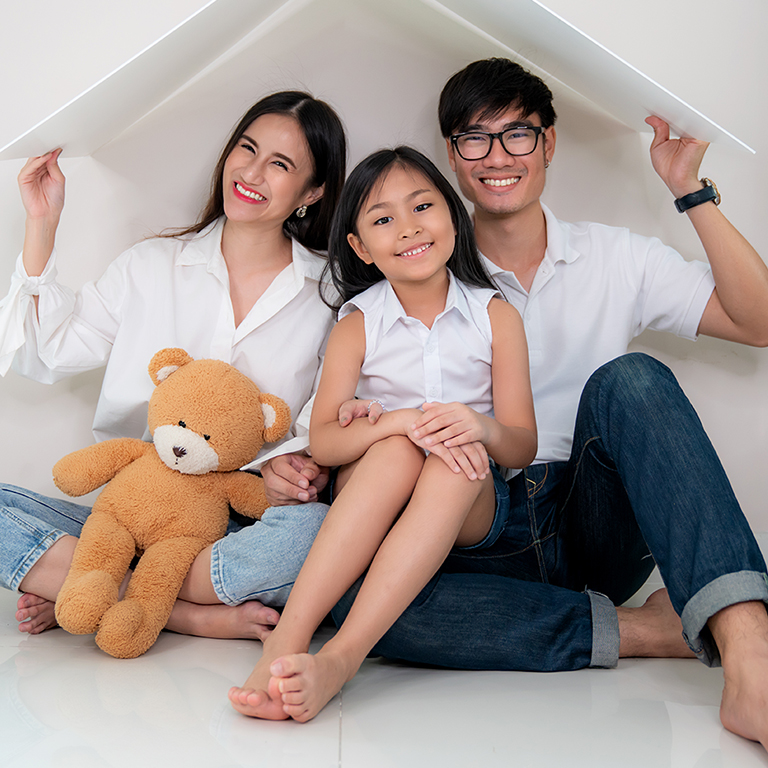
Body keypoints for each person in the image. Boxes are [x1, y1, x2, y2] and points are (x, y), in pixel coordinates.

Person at [330, 59, 768, 749]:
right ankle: (644, 628)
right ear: (453, 155)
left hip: (591, 518)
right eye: (475, 138)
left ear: (550, 143)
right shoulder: (408, 262)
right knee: (351, 600)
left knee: (630, 379)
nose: (497, 157)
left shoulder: (616, 257)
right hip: (474, 526)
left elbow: (759, 322)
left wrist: (690, 191)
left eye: (519, 135)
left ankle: (752, 660)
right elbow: (335, 411)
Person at [0, 90, 347, 643]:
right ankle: (187, 613)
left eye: (280, 164)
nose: (252, 172)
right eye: (247, 148)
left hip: (238, 523)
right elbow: (49, 351)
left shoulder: (330, 295)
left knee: (315, 532)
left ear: (312, 191)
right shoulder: (149, 266)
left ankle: (95, 583)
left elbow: (323, 420)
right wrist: (42, 222)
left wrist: (298, 467)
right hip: (134, 508)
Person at [227, 146, 537, 721]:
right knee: (395, 448)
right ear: (361, 247)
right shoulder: (356, 323)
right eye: (383, 218)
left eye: (423, 206)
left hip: (468, 503)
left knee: (454, 451)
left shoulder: (496, 314)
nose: (409, 227)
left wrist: (480, 426)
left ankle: (341, 659)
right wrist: (396, 423)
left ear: (453, 216)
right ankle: (288, 640)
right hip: (375, 499)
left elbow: (523, 445)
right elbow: (323, 443)